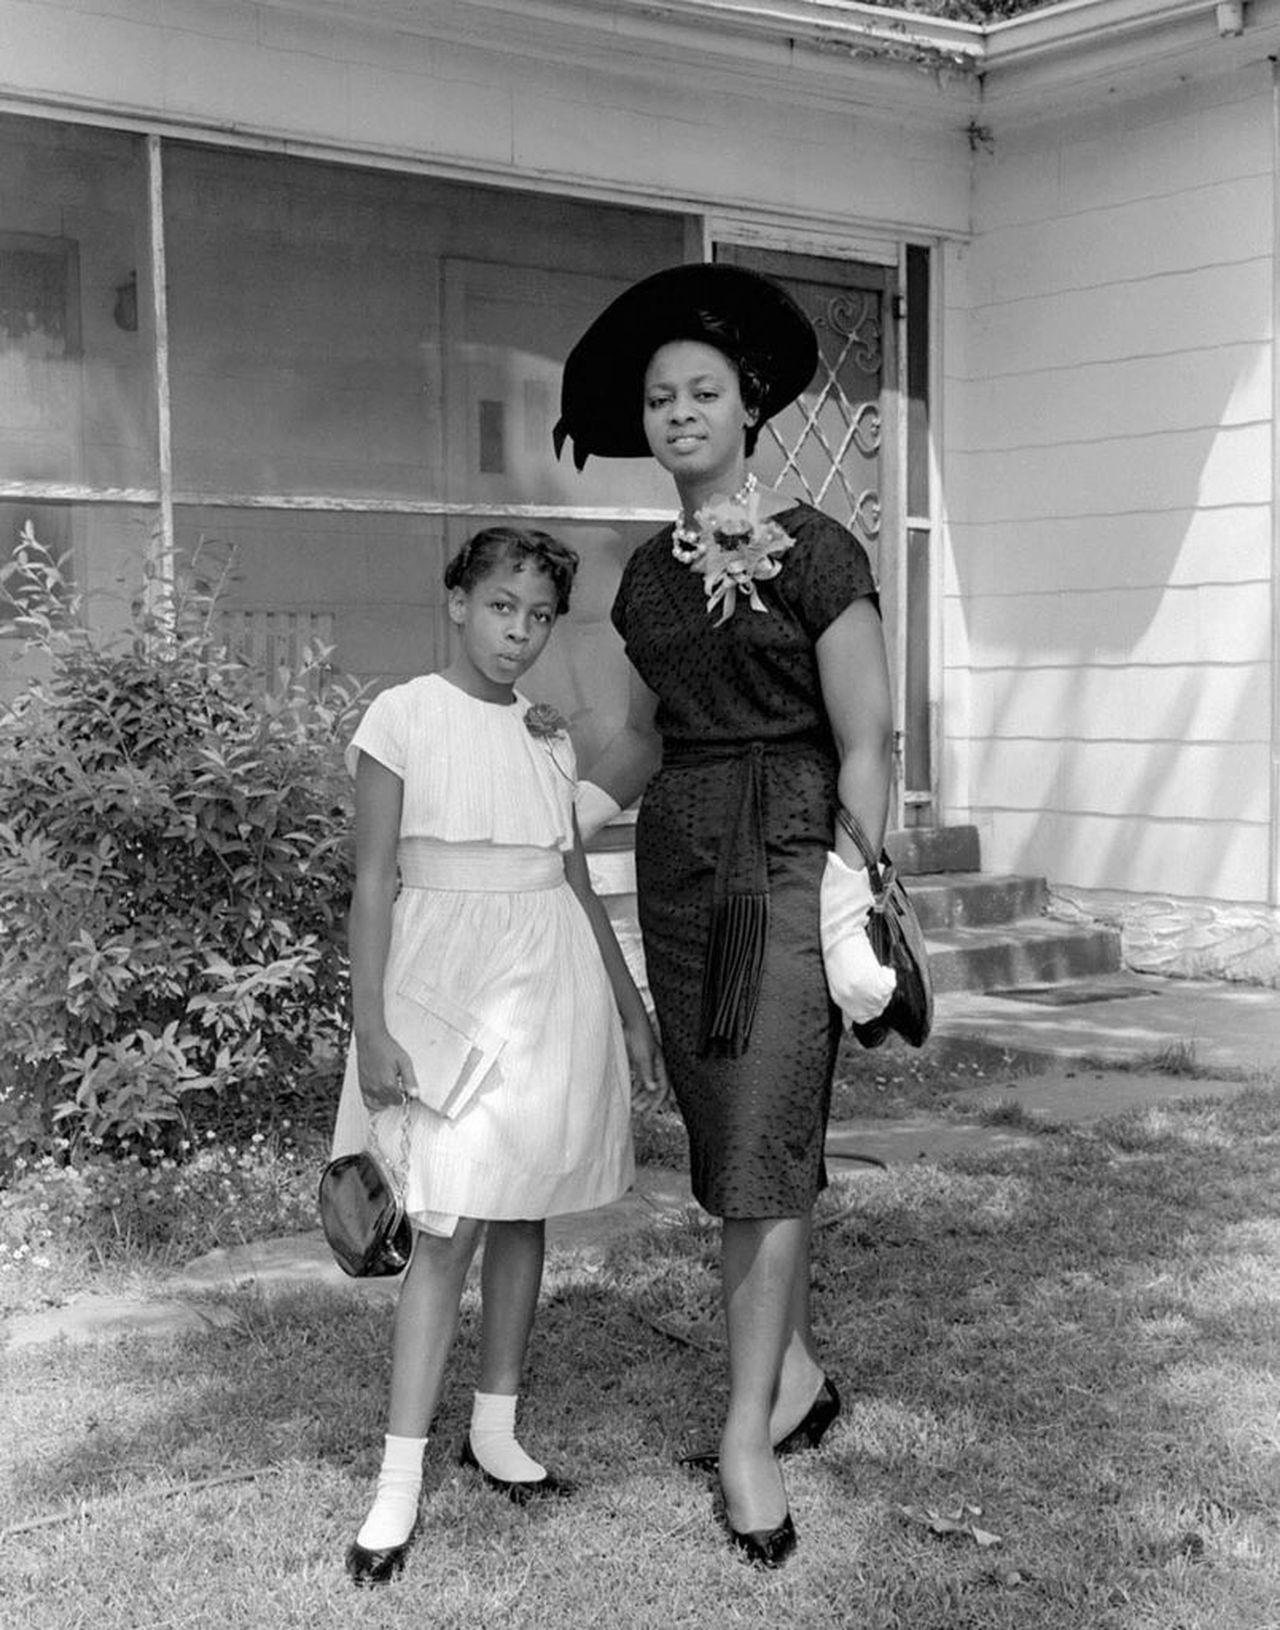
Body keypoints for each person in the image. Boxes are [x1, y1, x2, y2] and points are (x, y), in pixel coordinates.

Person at [554, 264, 896, 1569]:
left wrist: (857, 868)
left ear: (748, 407)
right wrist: (559, 803)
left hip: (787, 861)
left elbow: (867, 736)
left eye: (702, 390)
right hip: (684, 874)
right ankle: (794, 1372)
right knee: (724, 1149)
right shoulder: (643, 580)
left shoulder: (819, 550)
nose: (680, 410)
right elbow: (644, 741)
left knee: (763, 1143)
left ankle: (749, 1436)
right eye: (660, 398)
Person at [331, 525, 668, 1588]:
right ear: (456, 603)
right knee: (445, 1220)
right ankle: (396, 1479)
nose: (517, 633)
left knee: (522, 1203)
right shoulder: (402, 718)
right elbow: (374, 880)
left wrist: (628, 1007)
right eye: (498, 607)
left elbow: (570, 876)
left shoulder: (545, 736)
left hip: (547, 977)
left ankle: (496, 1424)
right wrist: (373, 1024)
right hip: (442, 987)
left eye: (536, 616)